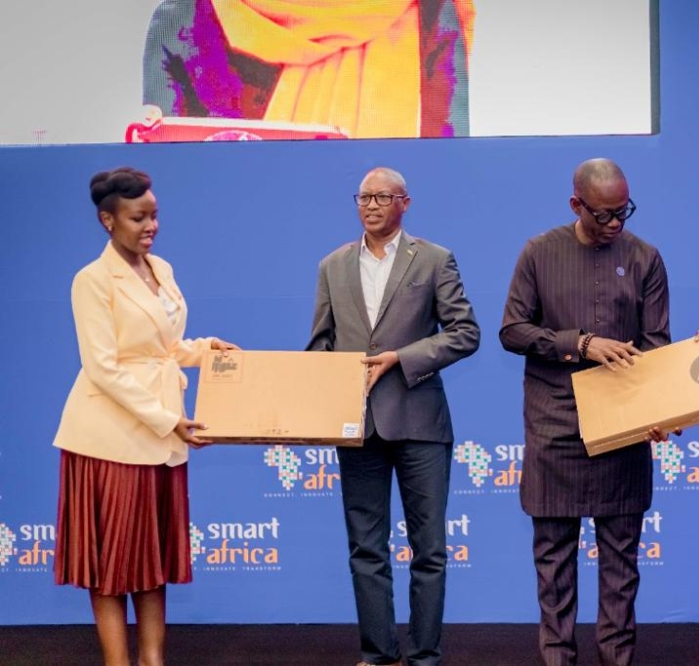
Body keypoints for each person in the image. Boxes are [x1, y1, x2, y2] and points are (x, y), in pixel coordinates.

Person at [52, 167, 239, 666]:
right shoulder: (91, 280)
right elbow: (104, 368)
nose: (151, 225)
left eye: (154, 214)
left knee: (152, 560)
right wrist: (167, 419)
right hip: (109, 438)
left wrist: (205, 350)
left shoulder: (164, 269)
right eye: (139, 217)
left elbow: (165, 347)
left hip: (162, 434)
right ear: (108, 221)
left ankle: (153, 660)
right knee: (111, 565)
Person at [499, 158, 670, 666]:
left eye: (624, 213)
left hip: (623, 427)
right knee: (553, 561)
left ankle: (617, 658)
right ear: (576, 205)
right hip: (555, 426)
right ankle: (558, 658)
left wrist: (662, 407)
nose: (616, 224)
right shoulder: (538, 252)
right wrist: (581, 344)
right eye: (604, 215)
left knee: (622, 560)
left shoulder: (646, 259)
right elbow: (512, 331)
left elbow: (658, 347)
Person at [307, 167, 480, 666]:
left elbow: (465, 332)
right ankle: (378, 653)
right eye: (363, 197)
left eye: (382, 196)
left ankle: (425, 656)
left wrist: (402, 359)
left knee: (429, 550)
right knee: (366, 547)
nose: (371, 204)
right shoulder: (332, 266)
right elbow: (321, 343)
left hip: (420, 423)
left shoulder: (433, 259)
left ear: (405, 202)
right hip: (356, 426)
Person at [143, 0, 475, 138]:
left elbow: (442, 171)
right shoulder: (184, 18)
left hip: (382, 271)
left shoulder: (429, 13)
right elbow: (169, 182)